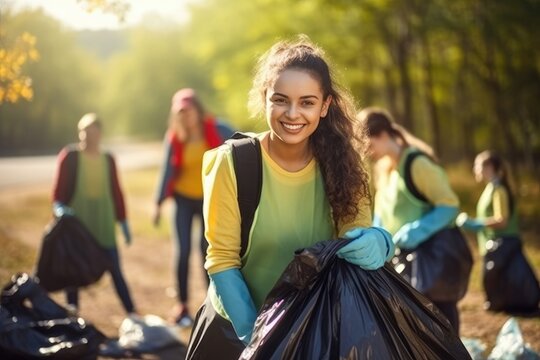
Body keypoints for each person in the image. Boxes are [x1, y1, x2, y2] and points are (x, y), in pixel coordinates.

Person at [186, 36, 394, 358]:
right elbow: (223, 261)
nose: (293, 114)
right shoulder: (232, 162)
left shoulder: (345, 167)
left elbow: (354, 244)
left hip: (314, 332)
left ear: (325, 106)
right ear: (265, 98)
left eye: (307, 102)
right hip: (236, 332)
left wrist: (380, 241)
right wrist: (260, 340)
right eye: (281, 100)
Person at [358, 107, 463, 332]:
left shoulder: (417, 164)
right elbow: (382, 213)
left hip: (431, 264)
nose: (366, 152)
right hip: (400, 262)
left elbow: (449, 205)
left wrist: (417, 230)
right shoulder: (383, 170)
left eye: (368, 144)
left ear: (383, 135)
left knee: (439, 328)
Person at [153, 88, 234, 327]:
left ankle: (213, 304)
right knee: (183, 251)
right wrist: (158, 204)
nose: (185, 117)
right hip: (183, 199)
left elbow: (244, 144)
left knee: (207, 251)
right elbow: (166, 171)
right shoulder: (176, 137)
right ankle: (182, 305)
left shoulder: (218, 129)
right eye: (180, 113)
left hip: (209, 200)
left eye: (188, 111)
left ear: (198, 110)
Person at [52, 112, 137, 316]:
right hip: (77, 226)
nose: (86, 135)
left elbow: (116, 191)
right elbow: (58, 192)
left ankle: (132, 313)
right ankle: (73, 314)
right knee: (72, 271)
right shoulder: (70, 157)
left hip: (103, 225)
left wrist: (123, 220)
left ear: (99, 133)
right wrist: (59, 208)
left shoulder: (108, 159)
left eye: (91, 131)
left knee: (115, 269)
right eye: (83, 131)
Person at [456, 150, 540, 312]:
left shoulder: (499, 190)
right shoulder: (491, 188)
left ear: (488, 167)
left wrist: (476, 224)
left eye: (477, 165)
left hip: (503, 243)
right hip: (497, 244)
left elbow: (502, 220)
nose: (475, 169)